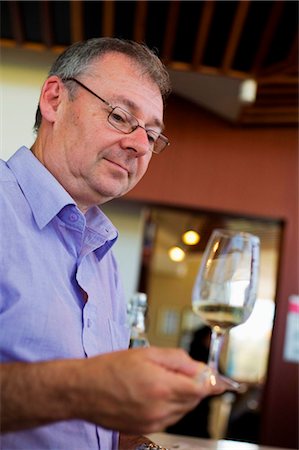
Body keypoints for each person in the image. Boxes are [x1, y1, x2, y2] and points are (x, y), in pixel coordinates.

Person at [0, 37, 229, 450]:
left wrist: (141, 446)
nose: (140, 145)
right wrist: (84, 388)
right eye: (121, 116)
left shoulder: (103, 252)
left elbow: (82, 432)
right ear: (54, 100)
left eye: (153, 135)